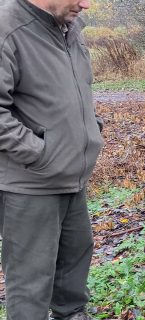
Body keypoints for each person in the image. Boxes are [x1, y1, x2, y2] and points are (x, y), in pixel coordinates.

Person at [0, 0, 103, 318]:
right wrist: (41, 153)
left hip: (73, 176)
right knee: (31, 283)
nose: (85, 4)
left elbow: (77, 89)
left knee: (74, 264)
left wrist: (91, 129)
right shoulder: (8, 28)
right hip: (30, 183)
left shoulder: (68, 27)